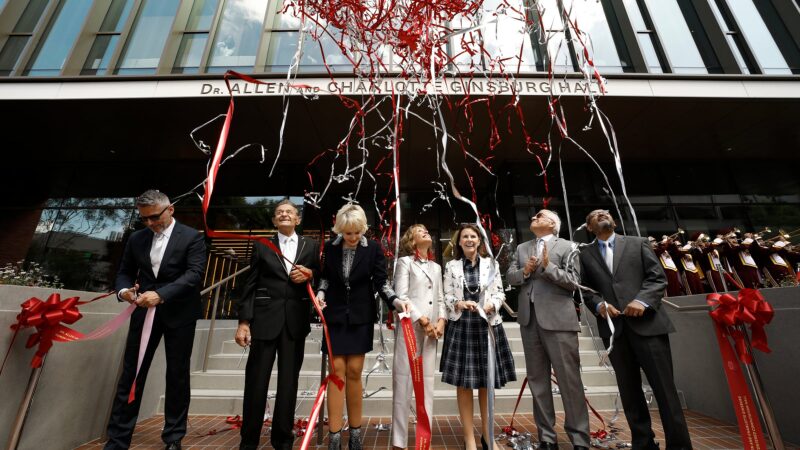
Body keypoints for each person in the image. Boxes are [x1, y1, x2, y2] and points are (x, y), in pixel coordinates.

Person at [578, 210, 691, 450]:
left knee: (665, 391)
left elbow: (657, 278)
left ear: (615, 221)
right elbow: (585, 289)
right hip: (615, 332)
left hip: (649, 327)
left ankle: (679, 445)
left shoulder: (638, 243)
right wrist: (598, 305)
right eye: (594, 215)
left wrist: (642, 300)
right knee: (629, 393)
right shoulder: (584, 253)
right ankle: (643, 443)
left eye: (605, 212)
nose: (601, 214)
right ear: (589, 227)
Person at [105, 190, 206, 450]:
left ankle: (173, 438)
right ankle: (117, 440)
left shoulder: (193, 237)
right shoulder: (137, 238)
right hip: (143, 313)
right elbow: (124, 271)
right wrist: (124, 291)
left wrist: (161, 295)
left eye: (154, 217)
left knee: (177, 376)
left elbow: (194, 274)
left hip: (180, 314)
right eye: (145, 219)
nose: (150, 223)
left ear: (170, 209)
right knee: (132, 374)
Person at [235, 199, 320, 450]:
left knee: (288, 383)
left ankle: (283, 441)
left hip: (295, 322)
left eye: (289, 212)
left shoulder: (311, 245)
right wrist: (243, 321)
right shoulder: (262, 245)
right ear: (274, 220)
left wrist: (311, 274)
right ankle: (248, 441)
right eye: (279, 212)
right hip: (264, 320)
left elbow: (320, 276)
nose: (284, 214)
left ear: (298, 219)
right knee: (256, 382)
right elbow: (249, 284)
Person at [506, 210, 590, 450]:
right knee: (537, 381)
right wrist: (525, 271)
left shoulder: (569, 246)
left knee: (569, 381)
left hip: (559, 321)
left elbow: (574, 282)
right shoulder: (522, 248)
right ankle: (547, 438)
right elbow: (510, 277)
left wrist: (548, 266)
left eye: (539, 215)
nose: (533, 216)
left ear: (553, 224)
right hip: (529, 320)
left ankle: (580, 440)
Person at [316, 203, 397, 450]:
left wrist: (395, 301)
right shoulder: (330, 249)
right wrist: (320, 293)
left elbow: (381, 281)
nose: (352, 238)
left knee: (354, 372)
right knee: (336, 372)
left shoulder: (373, 249)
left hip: (361, 316)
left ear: (363, 229)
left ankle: (355, 434)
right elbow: (326, 277)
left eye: (356, 233)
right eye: (348, 233)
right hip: (336, 316)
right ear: (340, 229)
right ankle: (334, 436)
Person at [440, 224, 516, 450]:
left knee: (487, 383)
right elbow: (446, 295)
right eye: (465, 236)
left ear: (479, 242)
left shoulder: (491, 264)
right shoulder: (451, 266)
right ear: (459, 241)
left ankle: (487, 435)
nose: (469, 239)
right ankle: (469, 438)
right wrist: (459, 303)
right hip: (461, 327)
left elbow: (500, 292)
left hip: (487, 327)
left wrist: (491, 305)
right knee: (464, 385)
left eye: (473, 236)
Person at [391, 224, 446, 450]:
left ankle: (425, 437)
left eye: (426, 229)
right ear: (412, 241)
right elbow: (401, 296)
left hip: (432, 330)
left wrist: (441, 321)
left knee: (428, 385)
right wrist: (421, 319)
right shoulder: (405, 262)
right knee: (403, 383)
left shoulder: (436, 267)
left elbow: (441, 298)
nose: (425, 231)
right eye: (419, 230)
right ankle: (399, 441)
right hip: (410, 328)